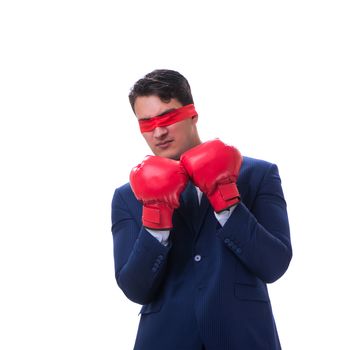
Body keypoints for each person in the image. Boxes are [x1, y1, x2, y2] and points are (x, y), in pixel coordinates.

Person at [111, 69, 292, 349]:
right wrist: (155, 219)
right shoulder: (127, 196)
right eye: (146, 123)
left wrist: (227, 201)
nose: (158, 132)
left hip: (244, 338)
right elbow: (135, 288)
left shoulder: (257, 174)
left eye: (167, 117)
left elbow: (275, 265)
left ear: (193, 114)